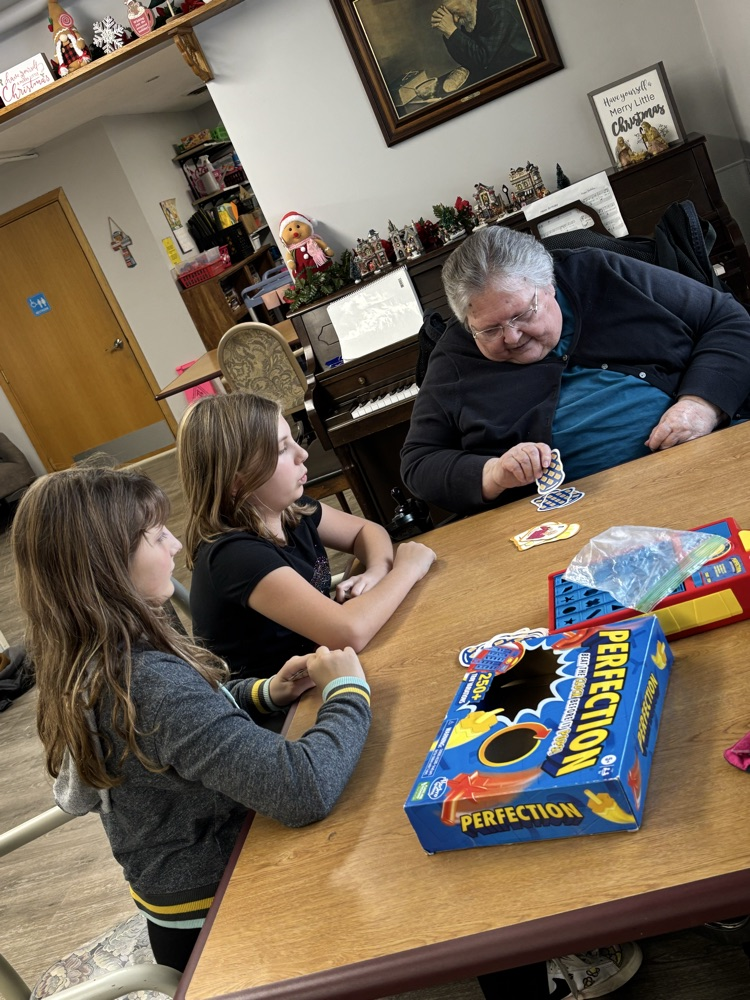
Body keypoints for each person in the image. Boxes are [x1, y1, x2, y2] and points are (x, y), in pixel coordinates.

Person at [11, 464, 372, 973]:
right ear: (108, 564)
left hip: (182, 896)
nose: (176, 544)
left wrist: (264, 692)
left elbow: (190, 715)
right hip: (222, 915)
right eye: (157, 535)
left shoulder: (91, 650)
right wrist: (348, 692)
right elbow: (303, 789)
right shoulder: (145, 682)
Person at [401, 225, 750, 516]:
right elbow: (418, 461)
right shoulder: (454, 355)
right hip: (568, 516)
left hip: (698, 460)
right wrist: (492, 474)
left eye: (522, 315)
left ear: (549, 286)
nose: (512, 337)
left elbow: (728, 319)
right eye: (490, 330)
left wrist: (701, 405)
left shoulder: (599, 271)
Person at [177, 392, 436, 677]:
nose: (303, 454)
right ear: (236, 481)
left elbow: (367, 530)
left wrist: (377, 570)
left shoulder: (289, 508)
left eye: (293, 440)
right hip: (288, 697)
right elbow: (350, 632)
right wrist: (408, 569)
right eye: (282, 449)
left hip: (322, 666)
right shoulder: (234, 556)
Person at [430, 0, 535, 84]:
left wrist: (451, 30)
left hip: (523, 70)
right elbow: (468, 60)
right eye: (451, 14)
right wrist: (448, 33)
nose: (455, 20)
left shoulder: (498, 10)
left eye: (456, 12)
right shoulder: (470, 12)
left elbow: (482, 60)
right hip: (494, 70)